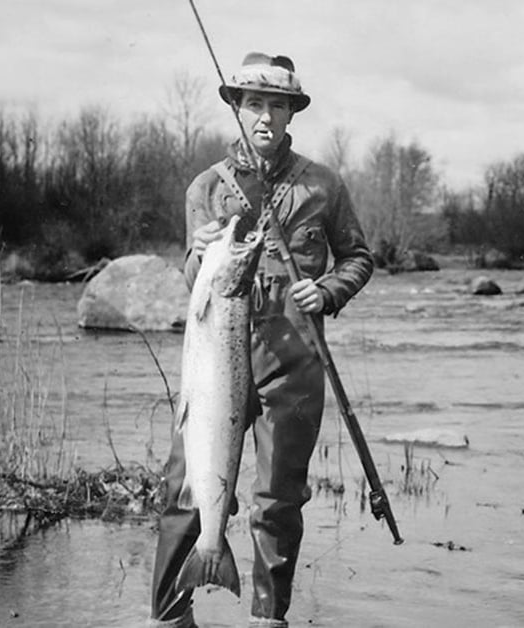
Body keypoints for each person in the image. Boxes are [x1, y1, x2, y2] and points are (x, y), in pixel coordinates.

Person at [148, 51, 374, 628]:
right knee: (185, 491)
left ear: (292, 112)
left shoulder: (323, 185)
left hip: (294, 361)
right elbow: (194, 287)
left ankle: (267, 618)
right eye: (255, 104)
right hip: (217, 361)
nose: (266, 116)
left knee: (278, 501)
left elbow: (358, 258)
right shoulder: (206, 188)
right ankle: (169, 616)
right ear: (238, 111)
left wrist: (327, 292)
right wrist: (198, 255)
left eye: (278, 104)